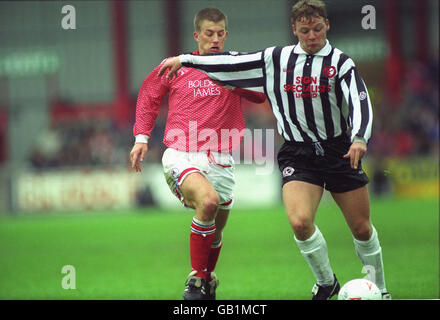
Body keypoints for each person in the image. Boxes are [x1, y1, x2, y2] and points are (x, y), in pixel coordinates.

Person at [158, 0, 391, 300]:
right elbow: (232, 63)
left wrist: (359, 137)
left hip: (339, 151)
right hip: (297, 152)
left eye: (317, 29)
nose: (311, 36)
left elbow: (360, 101)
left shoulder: (340, 62)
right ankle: (326, 282)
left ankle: (381, 290)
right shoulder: (276, 59)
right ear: (294, 29)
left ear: (327, 26)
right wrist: (186, 60)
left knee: (361, 228)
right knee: (299, 221)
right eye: (305, 30)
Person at [129, 8, 266, 300]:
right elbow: (149, 96)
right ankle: (195, 282)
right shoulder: (178, 66)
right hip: (182, 154)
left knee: (215, 232)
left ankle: (205, 281)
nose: (215, 39)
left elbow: (260, 93)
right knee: (209, 202)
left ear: (226, 35)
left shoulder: (233, 65)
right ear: (197, 35)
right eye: (209, 33)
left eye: (220, 34)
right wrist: (141, 137)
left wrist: (232, 80)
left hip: (221, 159)